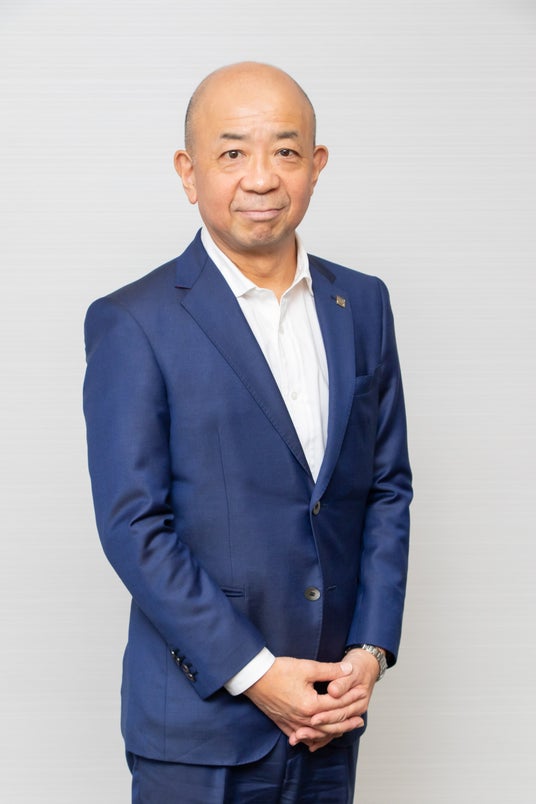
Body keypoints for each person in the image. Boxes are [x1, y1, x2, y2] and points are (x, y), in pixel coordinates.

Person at [83, 61, 412, 803]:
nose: (261, 178)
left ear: (316, 165)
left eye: (285, 151)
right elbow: (133, 525)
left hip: (331, 714)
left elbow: (387, 488)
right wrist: (257, 675)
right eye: (232, 152)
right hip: (198, 734)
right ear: (188, 171)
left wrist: (369, 651)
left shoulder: (362, 304)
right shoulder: (134, 321)